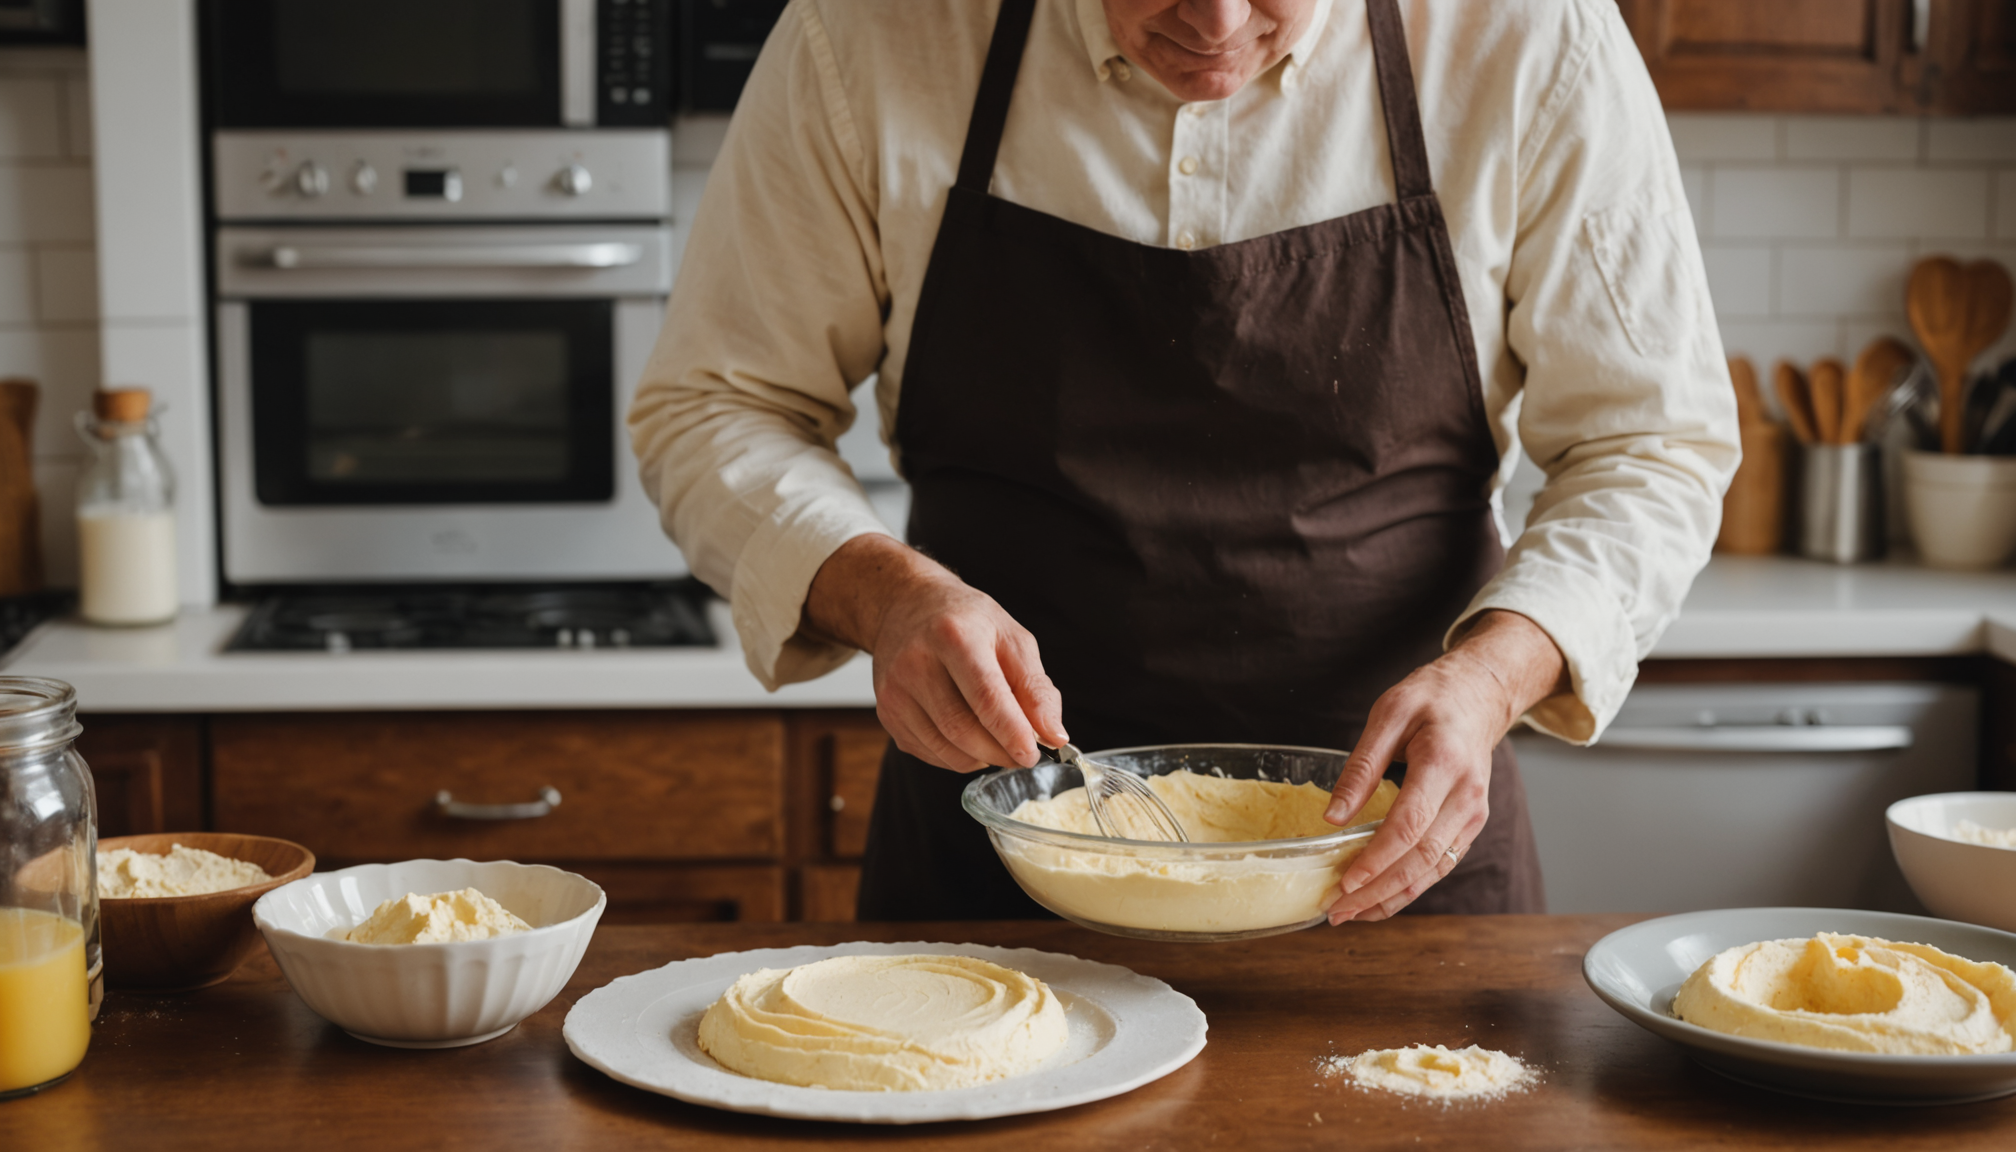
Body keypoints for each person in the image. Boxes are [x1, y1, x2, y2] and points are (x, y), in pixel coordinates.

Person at [629, 0, 1739, 923]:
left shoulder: (1527, 37)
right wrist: (884, 592)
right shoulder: (872, 35)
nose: (1212, 23)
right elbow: (719, 405)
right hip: (996, 863)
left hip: (1393, 861)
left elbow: (1651, 442)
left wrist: (1496, 674)